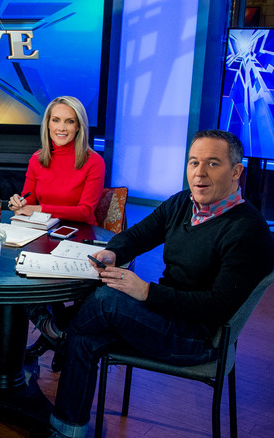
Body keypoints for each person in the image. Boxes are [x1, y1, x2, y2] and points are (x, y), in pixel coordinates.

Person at [48, 130, 274, 438]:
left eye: (213, 163)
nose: (200, 173)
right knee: (85, 338)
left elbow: (217, 308)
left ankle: (60, 330)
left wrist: (145, 291)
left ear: (236, 171)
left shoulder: (248, 230)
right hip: (164, 317)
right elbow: (140, 234)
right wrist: (114, 251)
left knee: (108, 300)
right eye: (194, 162)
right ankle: (67, 431)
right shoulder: (184, 203)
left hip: (199, 338)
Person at [7, 96, 106, 371]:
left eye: (69, 121)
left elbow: (86, 211)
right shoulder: (38, 159)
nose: (61, 127)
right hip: (42, 236)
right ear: (48, 124)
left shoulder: (92, 161)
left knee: (40, 277)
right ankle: (55, 335)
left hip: (79, 238)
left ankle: (53, 335)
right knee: (18, 275)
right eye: (56, 120)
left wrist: (39, 207)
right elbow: (29, 196)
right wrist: (21, 202)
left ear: (79, 127)